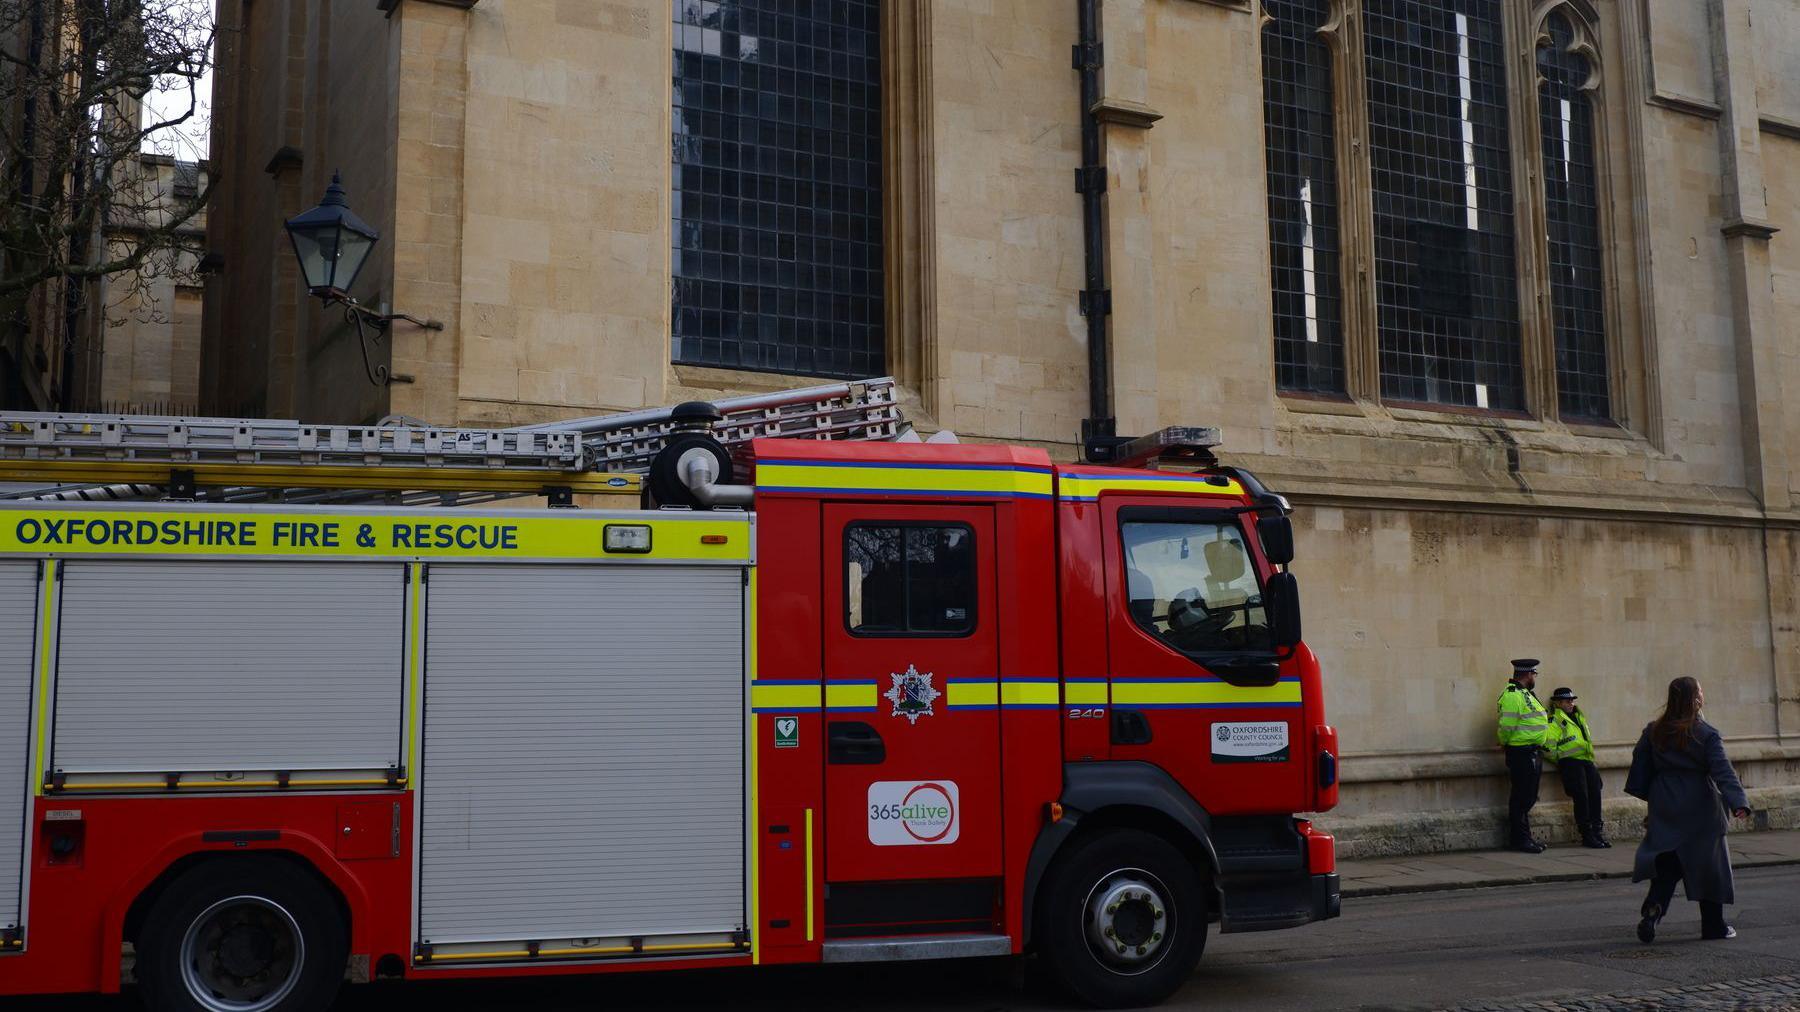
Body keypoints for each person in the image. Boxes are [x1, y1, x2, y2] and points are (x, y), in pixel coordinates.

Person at [1625, 676, 1751, 943]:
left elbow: (1639, 768)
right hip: (1699, 804)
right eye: (1701, 691)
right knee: (1708, 867)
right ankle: (1713, 926)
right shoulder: (1705, 733)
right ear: (1695, 699)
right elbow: (1723, 771)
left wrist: (1654, 797)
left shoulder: (1653, 731)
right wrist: (1738, 802)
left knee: (1668, 864)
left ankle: (1653, 910)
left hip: (1665, 801)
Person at [1495, 658, 1550, 853]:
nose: (1535, 677)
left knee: (1527, 797)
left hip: (1531, 752)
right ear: (1528, 674)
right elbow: (1507, 724)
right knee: (1522, 798)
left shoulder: (1525, 693)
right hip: (1522, 752)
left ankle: (1525, 838)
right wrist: (1503, 742)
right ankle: (1520, 840)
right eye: (1534, 674)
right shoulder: (1512, 695)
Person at [1545, 687, 1609, 849]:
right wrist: (1560, 759)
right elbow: (1547, 746)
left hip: (1587, 760)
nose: (1571, 703)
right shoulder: (1555, 720)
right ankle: (1587, 835)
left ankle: (1597, 832)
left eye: (1572, 700)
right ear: (1558, 703)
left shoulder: (1579, 716)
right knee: (1582, 797)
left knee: (1595, 793)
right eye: (1568, 700)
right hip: (1571, 762)